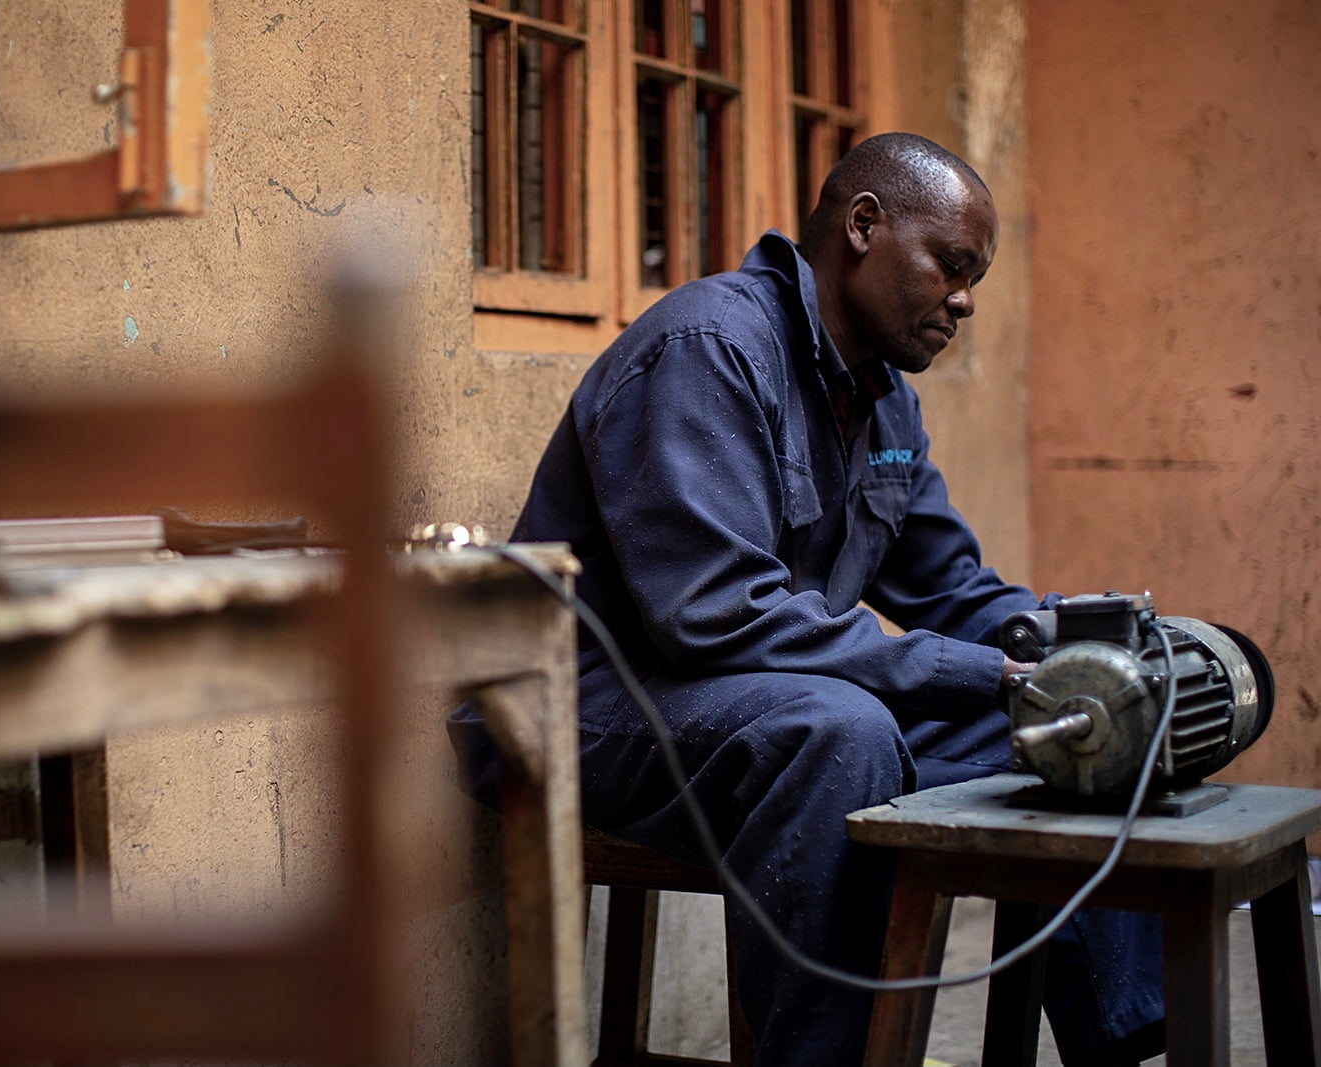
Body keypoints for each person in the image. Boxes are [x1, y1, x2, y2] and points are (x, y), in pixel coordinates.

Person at [450, 132, 1164, 1065]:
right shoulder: (709, 347)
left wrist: (1083, 650)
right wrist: (980, 672)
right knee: (839, 732)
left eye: (975, 277)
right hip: (573, 704)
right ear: (864, 225)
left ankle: (1124, 1039)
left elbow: (949, 585)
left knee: (1075, 726)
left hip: (746, 699)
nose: (964, 300)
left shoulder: (884, 397)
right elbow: (715, 614)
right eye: (950, 265)